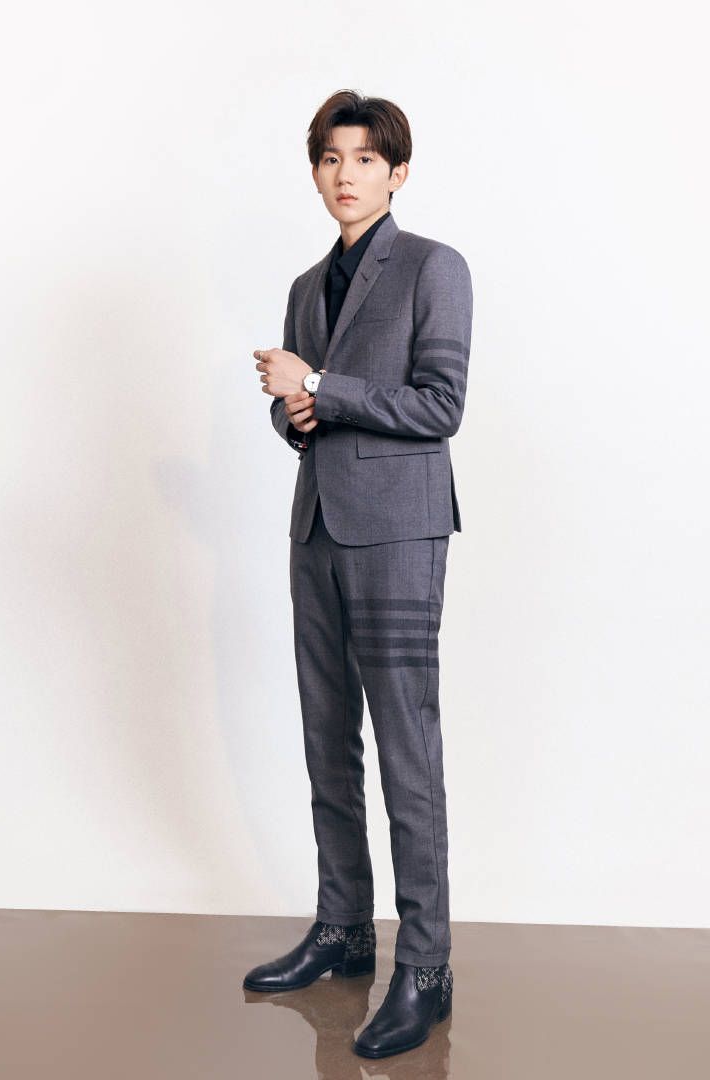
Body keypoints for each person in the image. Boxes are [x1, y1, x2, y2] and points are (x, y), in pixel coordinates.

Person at [247, 88, 473, 1060]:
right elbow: (302, 416)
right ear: (316, 172)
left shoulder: (433, 267)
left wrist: (319, 385)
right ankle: (343, 926)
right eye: (332, 159)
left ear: (397, 172)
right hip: (319, 531)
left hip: (398, 536)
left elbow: (439, 405)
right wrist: (294, 414)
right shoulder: (308, 285)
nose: (347, 175)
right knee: (327, 738)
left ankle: (426, 966)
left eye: (366, 159)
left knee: (406, 746)